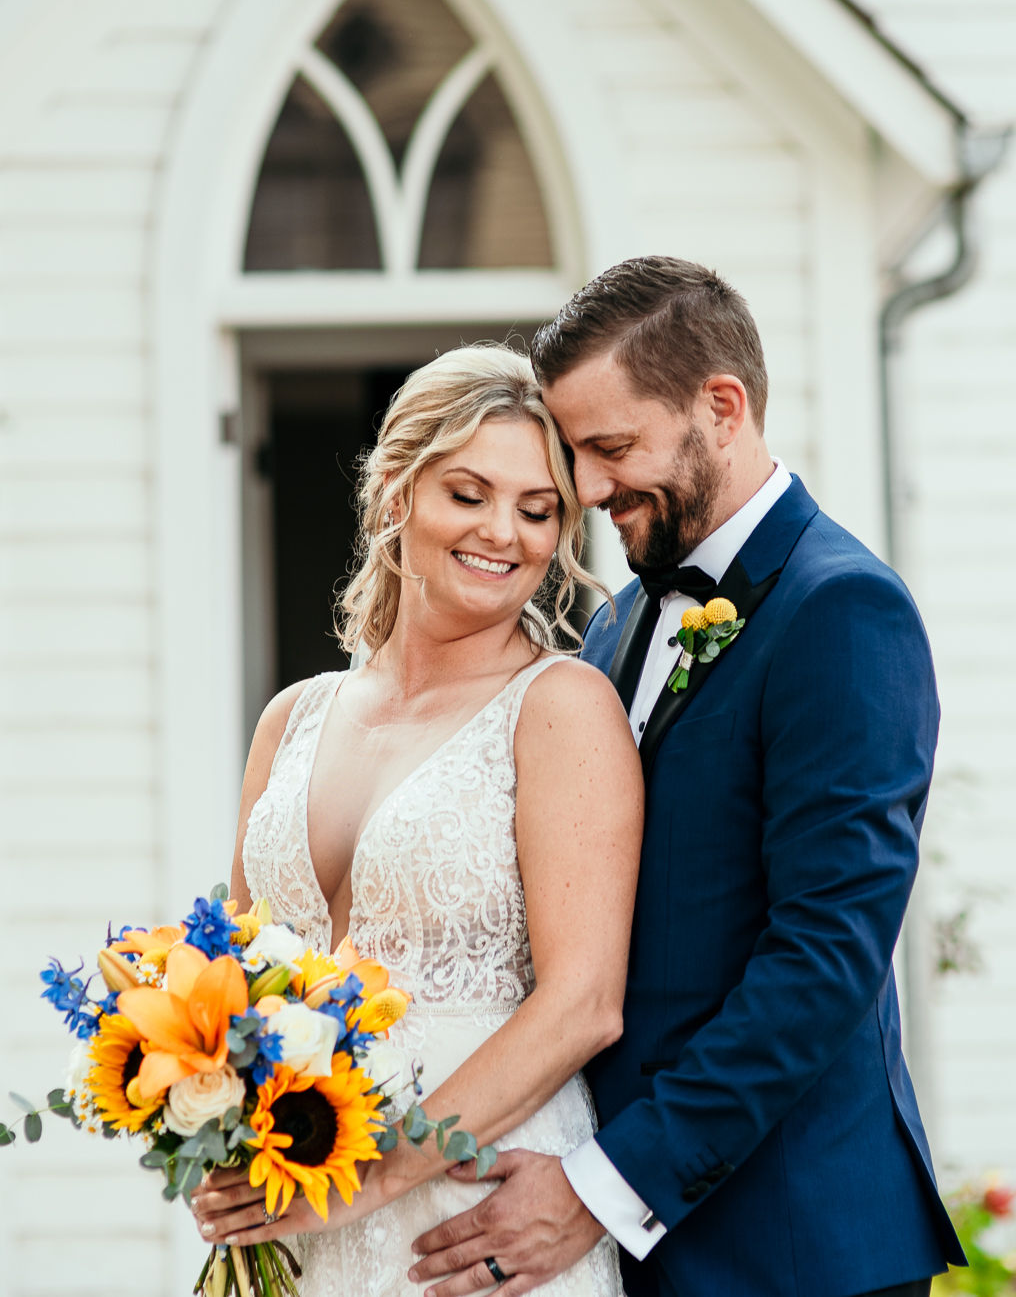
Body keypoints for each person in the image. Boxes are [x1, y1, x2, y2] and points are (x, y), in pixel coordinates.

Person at [406, 257, 965, 1297]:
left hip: (790, 1248)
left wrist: (601, 1185)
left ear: (722, 406)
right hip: (637, 1245)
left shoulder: (842, 612)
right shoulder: (617, 620)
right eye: (577, 454)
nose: (589, 489)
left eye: (611, 448)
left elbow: (824, 958)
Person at [187, 345, 637, 1296]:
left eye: (536, 508)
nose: (503, 532)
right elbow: (231, 987)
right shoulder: (293, 717)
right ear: (396, 494)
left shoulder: (559, 706)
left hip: (474, 1219)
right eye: (468, 493)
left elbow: (583, 1005)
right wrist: (204, 1130)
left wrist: (366, 1183)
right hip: (295, 1217)